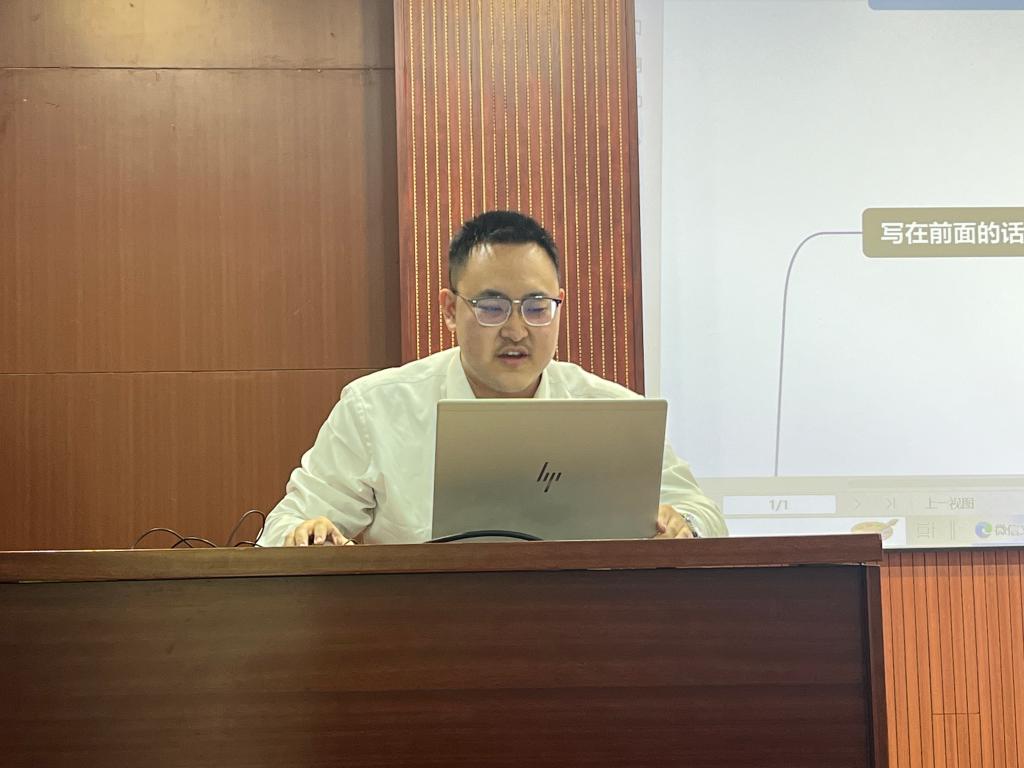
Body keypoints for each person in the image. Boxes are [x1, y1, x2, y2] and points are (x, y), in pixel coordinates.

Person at [261, 211, 727, 546]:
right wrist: (306, 535)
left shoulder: (615, 412)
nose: (516, 330)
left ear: (558, 305)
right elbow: (285, 527)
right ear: (450, 309)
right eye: (492, 307)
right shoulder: (376, 408)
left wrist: (682, 523)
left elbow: (704, 516)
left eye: (537, 307)